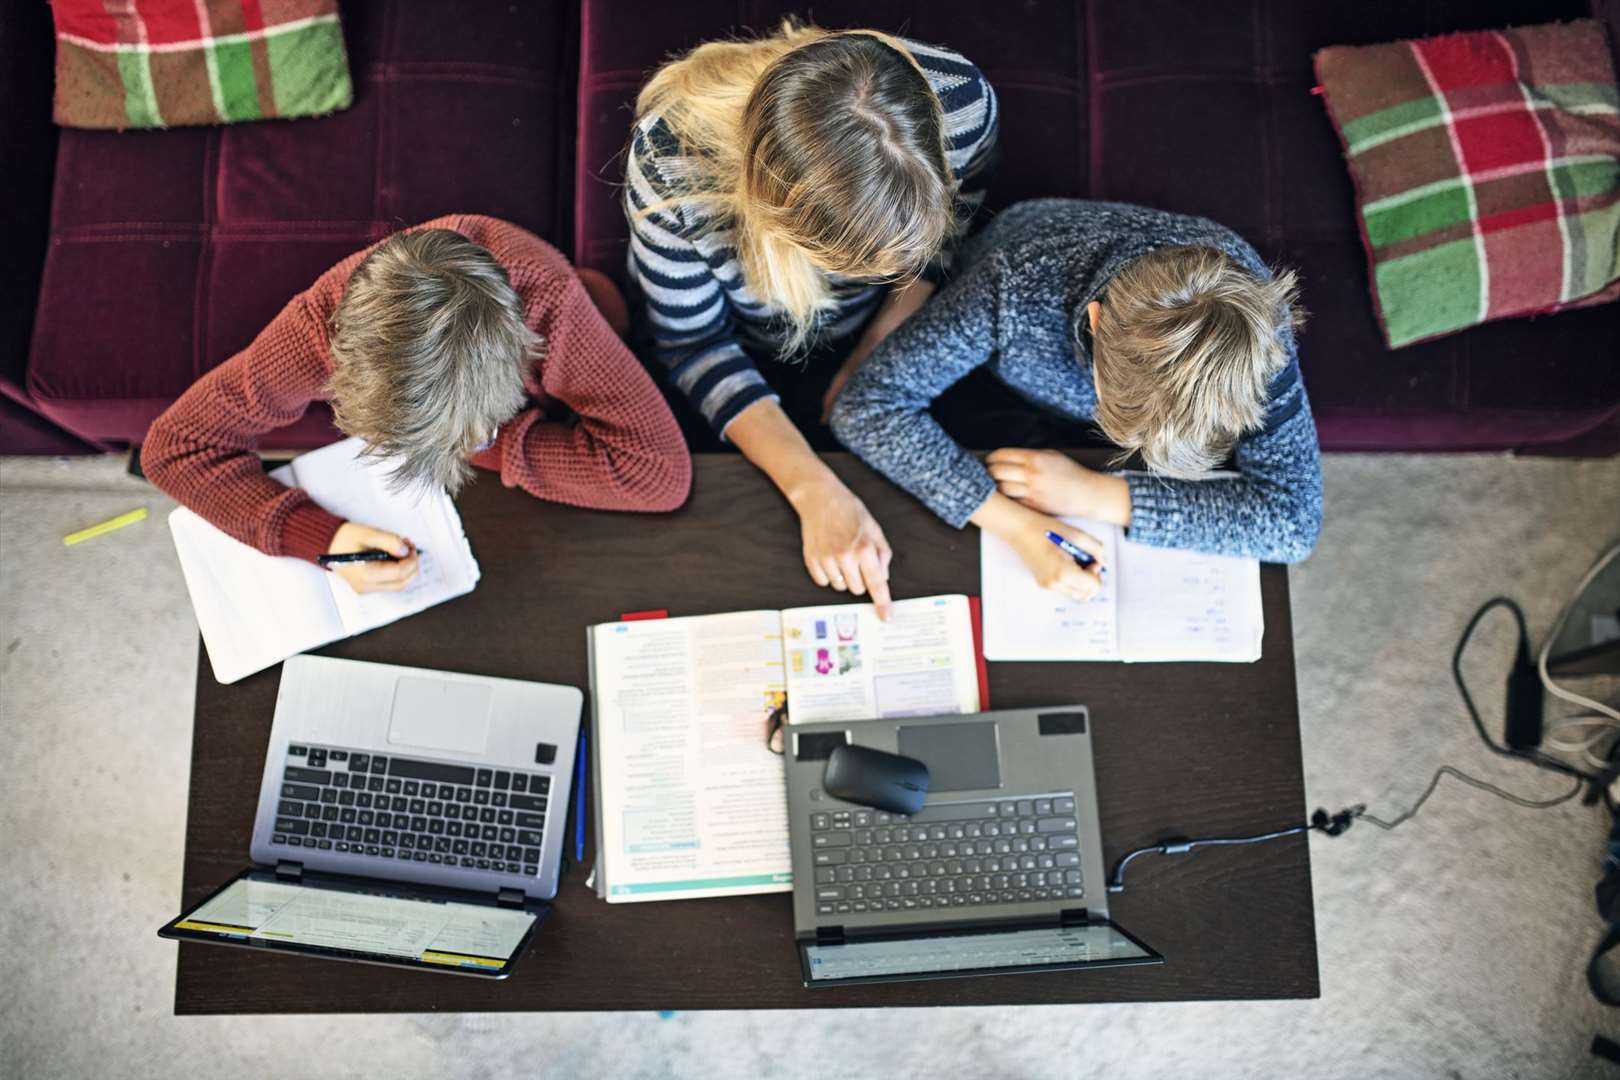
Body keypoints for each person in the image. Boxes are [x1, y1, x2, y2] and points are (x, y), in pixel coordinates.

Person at [623, 20, 999, 617]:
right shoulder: (670, 170)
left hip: (886, 330)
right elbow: (693, 344)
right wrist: (812, 489)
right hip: (742, 353)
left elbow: (949, 246)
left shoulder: (961, 101)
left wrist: (872, 352)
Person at [144, 215, 691, 594]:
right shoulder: (317, 334)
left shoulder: (546, 301)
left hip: (569, 353)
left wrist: (488, 446)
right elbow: (176, 447)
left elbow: (658, 475)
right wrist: (323, 538)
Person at [830, 199, 1323, 601]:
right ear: (1095, 321)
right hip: (1007, 359)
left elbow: (1294, 523)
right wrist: (1019, 527)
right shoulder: (1014, 283)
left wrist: (1097, 494)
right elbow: (864, 406)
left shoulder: (1259, 339)